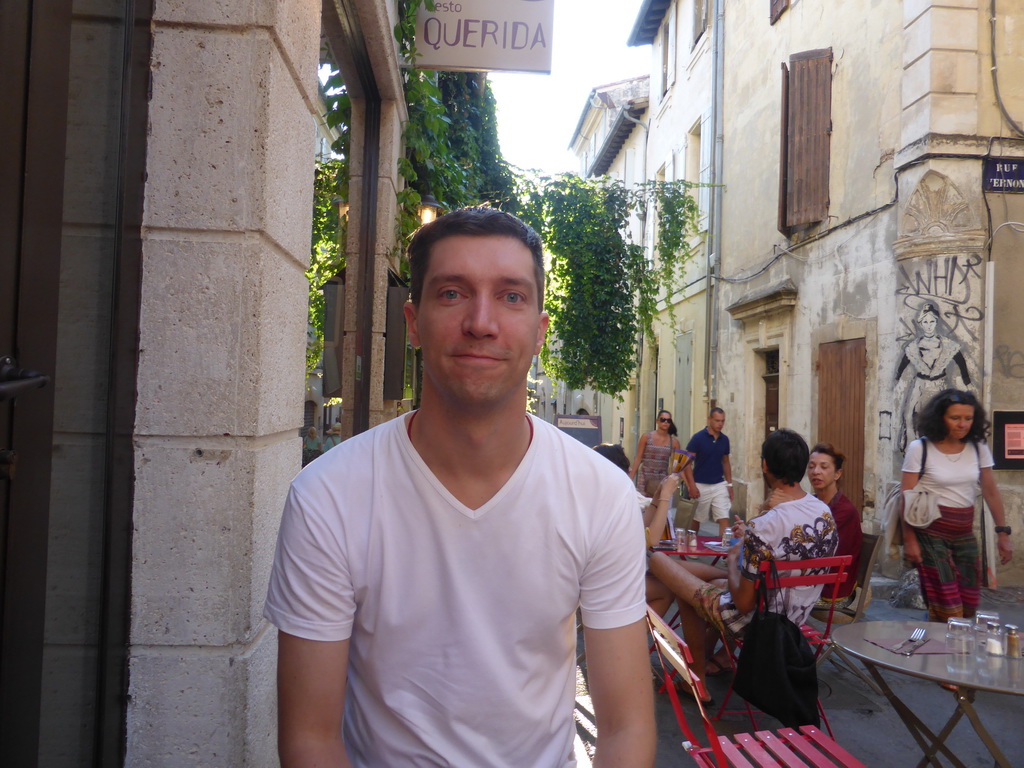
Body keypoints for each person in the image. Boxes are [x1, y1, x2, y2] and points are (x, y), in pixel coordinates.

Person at [264, 207, 656, 767]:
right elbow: (310, 740)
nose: (481, 321)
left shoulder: (599, 494)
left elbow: (627, 729)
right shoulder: (328, 497)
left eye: (511, 296)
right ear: (414, 322)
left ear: (540, 330)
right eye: (452, 293)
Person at [647, 429, 839, 687]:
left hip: (759, 623)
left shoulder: (766, 524)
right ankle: (698, 670)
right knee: (691, 578)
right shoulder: (824, 513)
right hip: (796, 617)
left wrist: (737, 553)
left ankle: (696, 678)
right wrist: (750, 540)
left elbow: (743, 602)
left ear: (765, 465)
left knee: (659, 561)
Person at [901, 389, 1013, 622]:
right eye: (955, 418)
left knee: (970, 600)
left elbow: (991, 491)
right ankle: (940, 652)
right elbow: (907, 496)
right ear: (940, 417)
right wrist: (910, 541)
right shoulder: (919, 449)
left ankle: (945, 647)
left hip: (964, 534)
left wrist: (1003, 532)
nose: (962, 424)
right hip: (930, 533)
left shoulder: (978, 447)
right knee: (947, 602)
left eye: (968, 418)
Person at [594, 442, 682, 605]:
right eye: (627, 469)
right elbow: (651, 539)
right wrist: (665, 496)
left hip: (602, 580)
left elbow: (640, 530)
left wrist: (657, 497)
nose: (630, 473)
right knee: (669, 587)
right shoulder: (619, 500)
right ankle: (634, 629)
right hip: (611, 585)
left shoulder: (599, 498)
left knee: (668, 572)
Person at [895, 303, 971, 452]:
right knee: (910, 415)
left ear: (936, 322)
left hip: (939, 385)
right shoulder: (913, 347)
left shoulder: (948, 345)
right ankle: (914, 447)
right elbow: (902, 365)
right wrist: (896, 380)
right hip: (920, 385)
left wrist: (967, 383)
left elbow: (961, 362)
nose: (929, 325)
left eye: (932, 321)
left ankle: (941, 447)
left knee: (941, 417)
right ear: (921, 324)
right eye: (925, 322)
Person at [806, 443, 861, 609]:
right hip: (811, 578)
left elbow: (816, 549)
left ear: (838, 474)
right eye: (811, 466)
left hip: (830, 586)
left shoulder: (844, 511)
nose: (816, 472)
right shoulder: (812, 502)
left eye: (824, 467)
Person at [683, 408, 734, 538]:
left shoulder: (725, 440)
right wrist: (692, 485)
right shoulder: (698, 438)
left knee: (724, 517)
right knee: (696, 518)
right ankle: (692, 545)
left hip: (719, 484)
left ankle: (724, 551)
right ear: (709, 419)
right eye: (717, 420)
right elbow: (687, 463)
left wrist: (730, 485)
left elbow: (726, 462)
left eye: (722, 421)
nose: (720, 424)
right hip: (700, 484)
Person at [629, 410, 681, 496]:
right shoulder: (646, 437)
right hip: (645, 478)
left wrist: (674, 482)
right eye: (663, 419)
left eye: (668, 420)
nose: (665, 422)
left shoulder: (674, 442)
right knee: (643, 504)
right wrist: (630, 478)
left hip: (662, 479)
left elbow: (678, 466)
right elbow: (638, 458)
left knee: (659, 505)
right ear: (657, 421)